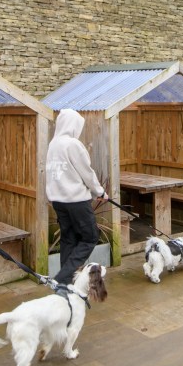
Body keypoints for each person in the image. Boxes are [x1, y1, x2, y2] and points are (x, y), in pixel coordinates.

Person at [46, 109, 109, 285]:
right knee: (90, 237)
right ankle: (63, 277)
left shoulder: (53, 144)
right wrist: (100, 192)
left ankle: (66, 283)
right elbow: (87, 173)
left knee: (69, 239)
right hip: (77, 201)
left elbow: (50, 172)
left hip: (58, 201)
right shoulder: (73, 144)